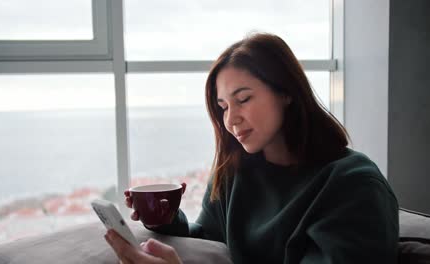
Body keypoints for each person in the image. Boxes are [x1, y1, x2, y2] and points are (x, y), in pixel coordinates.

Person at [104, 33, 399, 263]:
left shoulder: (353, 185)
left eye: (243, 99)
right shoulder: (236, 172)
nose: (231, 119)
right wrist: (167, 219)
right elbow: (209, 240)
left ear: (286, 92)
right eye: (223, 106)